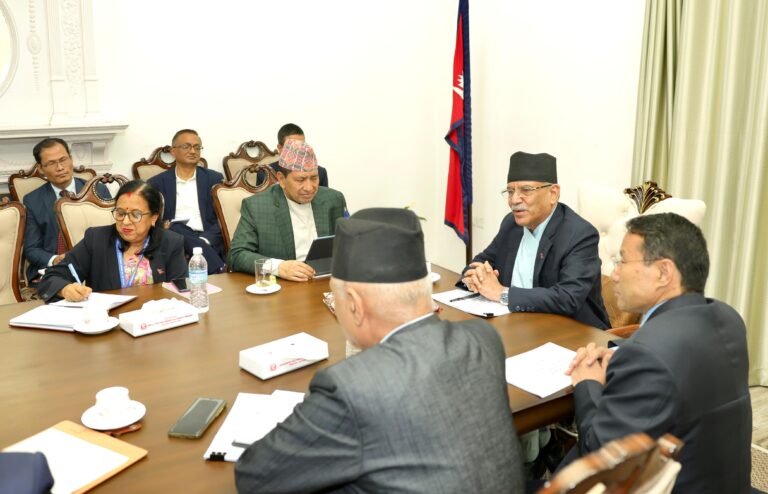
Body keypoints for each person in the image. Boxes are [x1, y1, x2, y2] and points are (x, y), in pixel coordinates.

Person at [235, 208, 524, 493]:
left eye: (334, 297)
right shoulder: (483, 339)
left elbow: (256, 477)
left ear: (354, 305)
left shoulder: (350, 388)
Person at [565, 213, 752, 493]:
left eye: (622, 262)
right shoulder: (728, 318)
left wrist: (587, 382)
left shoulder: (648, 354)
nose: (614, 275)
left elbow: (602, 456)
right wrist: (626, 357)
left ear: (664, 273)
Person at [459, 151, 610, 330]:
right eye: (510, 191)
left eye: (526, 190)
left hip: (573, 332)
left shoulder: (580, 234)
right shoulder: (511, 224)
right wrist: (474, 277)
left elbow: (568, 298)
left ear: (553, 194)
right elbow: (481, 261)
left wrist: (502, 293)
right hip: (518, 324)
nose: (514, 200)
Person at [36, 180, 187, 302]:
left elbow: (181, 293)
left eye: (135, 215)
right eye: (120, 213)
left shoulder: (171, 242)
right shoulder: (96, 239)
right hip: (108, 322)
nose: (125, 222)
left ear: (154, 217)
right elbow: (51, 277)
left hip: (155, 322)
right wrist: (65, 289)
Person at [227, 139, 346, 281]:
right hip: (283, 284)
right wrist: (278, 267)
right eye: (300, 180)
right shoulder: (257, 206)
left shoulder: (333, 199)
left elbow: (346, 246)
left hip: (324, 281)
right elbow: (237, 255)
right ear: (282, 179)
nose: (309, 187)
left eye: (314, 178)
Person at [22, 137, 111, 284]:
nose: (60, 167)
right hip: (55, 269)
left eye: (63, 160)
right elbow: (32, 249)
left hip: (95, 264)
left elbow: (111, 235)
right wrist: (54, 259)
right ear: (40, 168)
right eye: (51, 163)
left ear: (71, 159)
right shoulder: (32, 201)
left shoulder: (97, 190)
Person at [147, 129, 225, 274]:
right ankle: (219, 268)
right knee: (175, 226)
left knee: (177, 229)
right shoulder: (156, 183)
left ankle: (204, 253)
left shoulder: (214, 179)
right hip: (174, 238)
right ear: (173, 151)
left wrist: (204, 241)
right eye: (186, 146)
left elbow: (222, 218)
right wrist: (163, 225)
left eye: (197, 147)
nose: (193, 151)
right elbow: (151, 218)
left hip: (206, 236)